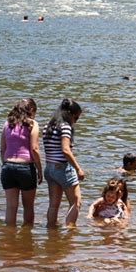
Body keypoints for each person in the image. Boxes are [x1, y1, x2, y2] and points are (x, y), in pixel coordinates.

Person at [0, 98, 43, 227]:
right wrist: (39, 170)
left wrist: (6, 165)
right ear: (31, 110)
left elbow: (2, 149)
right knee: (28, 207)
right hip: (25, 168)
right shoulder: (32, 124)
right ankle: (27, 239)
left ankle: (9, 238)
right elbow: (34, 149)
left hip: (7, 167)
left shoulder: (7, 123)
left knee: (11, 207)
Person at [43, 98, 84, 228]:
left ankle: (52, 233)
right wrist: (78, 169)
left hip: (49, 169)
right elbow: (65, 150)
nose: (75, 122)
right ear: (70, 114)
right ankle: (70, 235)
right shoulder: (65, 127)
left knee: (53, 205)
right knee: (76, 202)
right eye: (76, 118)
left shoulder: (48, 126)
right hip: (62, 168)